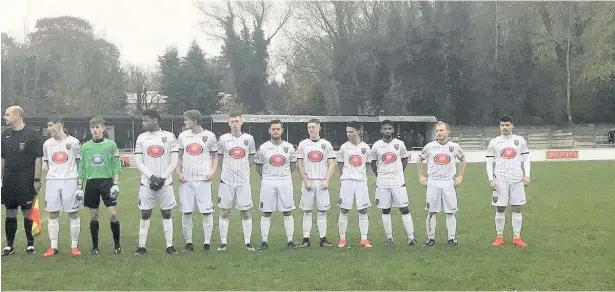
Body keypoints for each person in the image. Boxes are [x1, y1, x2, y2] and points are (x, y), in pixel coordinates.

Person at [134, 109, 179, 255]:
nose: (143, 123)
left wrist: (163, 178)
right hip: (147, 183)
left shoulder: (169, 137)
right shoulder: (141, 138)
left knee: (166, 213)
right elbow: (139, 162)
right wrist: (152, 177)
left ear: (155, 120)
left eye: (146, 120)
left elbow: (174, 161)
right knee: (145, 213)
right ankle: (141, 246)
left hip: (165, 184)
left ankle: (169, 246)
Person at [1, 106, 43, 256]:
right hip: (9, 180)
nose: (4, 117)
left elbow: (38, 158)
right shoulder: (5, 134)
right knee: (10, 211)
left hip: (26, 179)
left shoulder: (32, 134)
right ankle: (9, 245)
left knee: (27, 212)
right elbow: (3, 157)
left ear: (17, 116)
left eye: (7, 114)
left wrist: (37, 179)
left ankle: (30, 244)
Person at [77, 117, 122, 255]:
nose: (95, 130)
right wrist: (79, 186)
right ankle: (95, 246)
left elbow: (116, 165)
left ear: (103, 129)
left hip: (107, 182)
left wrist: (116, 183)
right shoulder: (85, 147)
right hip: (91, 183)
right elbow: (82, 167)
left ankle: (117, 245)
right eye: (92, 128)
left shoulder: (111, 145)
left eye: (97, 127)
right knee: (94, 215)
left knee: (113, 214)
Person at [417, 121, 467, 246]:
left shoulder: (454, 147)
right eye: (437, 131)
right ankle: (430, 238)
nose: (438, 133)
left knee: (450, 211)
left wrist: (460, 176)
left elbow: (463, 159)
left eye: (441, 130)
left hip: (448, 182)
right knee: (431, 211)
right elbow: (419, 158)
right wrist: (421, 175)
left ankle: (452, 238)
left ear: (448, 132)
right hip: (433, 181)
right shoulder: (429, 146)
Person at [176, 110, 218, 252]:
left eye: (187, 120)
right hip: (187, 180)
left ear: (195, 120)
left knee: (206, 211)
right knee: (186, 211)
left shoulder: (210, 136)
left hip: (203, 180)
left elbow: (215, 157)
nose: (185, 122)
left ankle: (207, 243)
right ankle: (188, 243)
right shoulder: (182, 136)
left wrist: (212, 172)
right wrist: (178, 172)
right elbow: (179, 157)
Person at [370, 120, 417, 247]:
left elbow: (404, 160)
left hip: (398, 182)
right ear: (381, 130)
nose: (387, 131)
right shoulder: (376, 146)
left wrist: (398, 173)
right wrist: (380, 175)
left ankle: (411, 237)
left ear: (393, 130)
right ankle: (389, 238)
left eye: (389, 128)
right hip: (383, 183)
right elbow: (373, 163)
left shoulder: (399, 144)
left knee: (404, 208)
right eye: (385, 128)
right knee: (385, 210)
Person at [486, 115, 530, 248]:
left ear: (512, 125)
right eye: (502, 125)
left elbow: (526, 159)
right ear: (500, 126)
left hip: (517, 179)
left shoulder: (520, 141)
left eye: (507, 125)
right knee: (500, 208)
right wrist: (491, 179)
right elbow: (488, 162)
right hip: (500, 179)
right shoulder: (494, 142)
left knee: (517, 208)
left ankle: (517, 237)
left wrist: (527, 175)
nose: (504, 128)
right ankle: (499, 236)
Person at [42, 116, 83, 257]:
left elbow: (79, 163)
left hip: (70, 180)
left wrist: (79, 183)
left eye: (50, 125)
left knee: (73, 213)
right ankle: (53, 247)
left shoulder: (74, 142)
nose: (48, 128)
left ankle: (74, 246)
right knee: (52, 213)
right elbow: (48, 164)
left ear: (60, 125)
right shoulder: (47, 144)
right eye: (48, 126)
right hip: (52, 181)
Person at [216, 113, 257, 251]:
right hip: (227, 181)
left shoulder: (249, 139)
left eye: (237, 121)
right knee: (225, 211)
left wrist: (244, 169)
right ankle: (223, 243)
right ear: (229, 123)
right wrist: (227, 171)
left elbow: (251, 157)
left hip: (243, 181)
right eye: (232, 121)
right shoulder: (223, 139)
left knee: (245, 212)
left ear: (241, 122)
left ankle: (247, 243)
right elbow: (219, 159)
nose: (234, 124)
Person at [254, 119, 297, 250]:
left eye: (278, 129)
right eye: (273, 129)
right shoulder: (263, 147)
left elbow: (293, 166)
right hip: (268, 181)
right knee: (266, 212)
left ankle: (290, 241)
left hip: (285, 180)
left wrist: (283, 176)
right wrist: (267, 177)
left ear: (282, 130)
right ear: (269, 131)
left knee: (287, 211)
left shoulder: (289, 147)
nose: (276, 132)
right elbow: (258, 167)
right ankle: (264, 241)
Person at [296, 118, 335, 248]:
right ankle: (305, 239)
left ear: (319, 128)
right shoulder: (303, 144)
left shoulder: (326, 144)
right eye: (309, 127)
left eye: (313, 127)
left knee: (322, 211)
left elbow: (331, 164)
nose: (311, 129)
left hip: (322, 182)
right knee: (307, 211)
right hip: (308, 182)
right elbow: (299, 165)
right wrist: (305, 181)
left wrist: (327, 181)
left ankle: (323, 239)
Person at [336, 121, 373, 248]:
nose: (348, 134)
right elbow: (340, 164)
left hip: (361, 182)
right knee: (344, 209)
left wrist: (360, 175)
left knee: (363, 210)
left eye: (351, 131)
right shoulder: (344, 147)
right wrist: (346, 176)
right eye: (347, 132)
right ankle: (342, 238)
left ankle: (364, 239)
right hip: (347, 181)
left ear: (358, 132)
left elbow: (368, 165)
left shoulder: (366, 148)